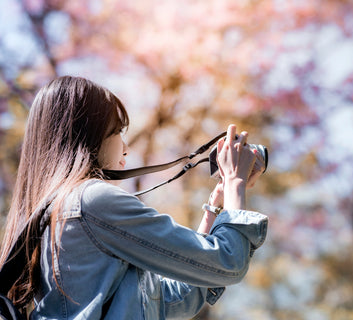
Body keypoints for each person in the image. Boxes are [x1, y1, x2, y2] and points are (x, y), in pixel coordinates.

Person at [0, 76, 268, 319]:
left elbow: (175, 300)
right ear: (88, 137)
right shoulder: (94, 201)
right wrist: (235, 181)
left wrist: (214, 209)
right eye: (116, 132)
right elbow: (228, 263)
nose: (125, 148)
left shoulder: (54, 212)